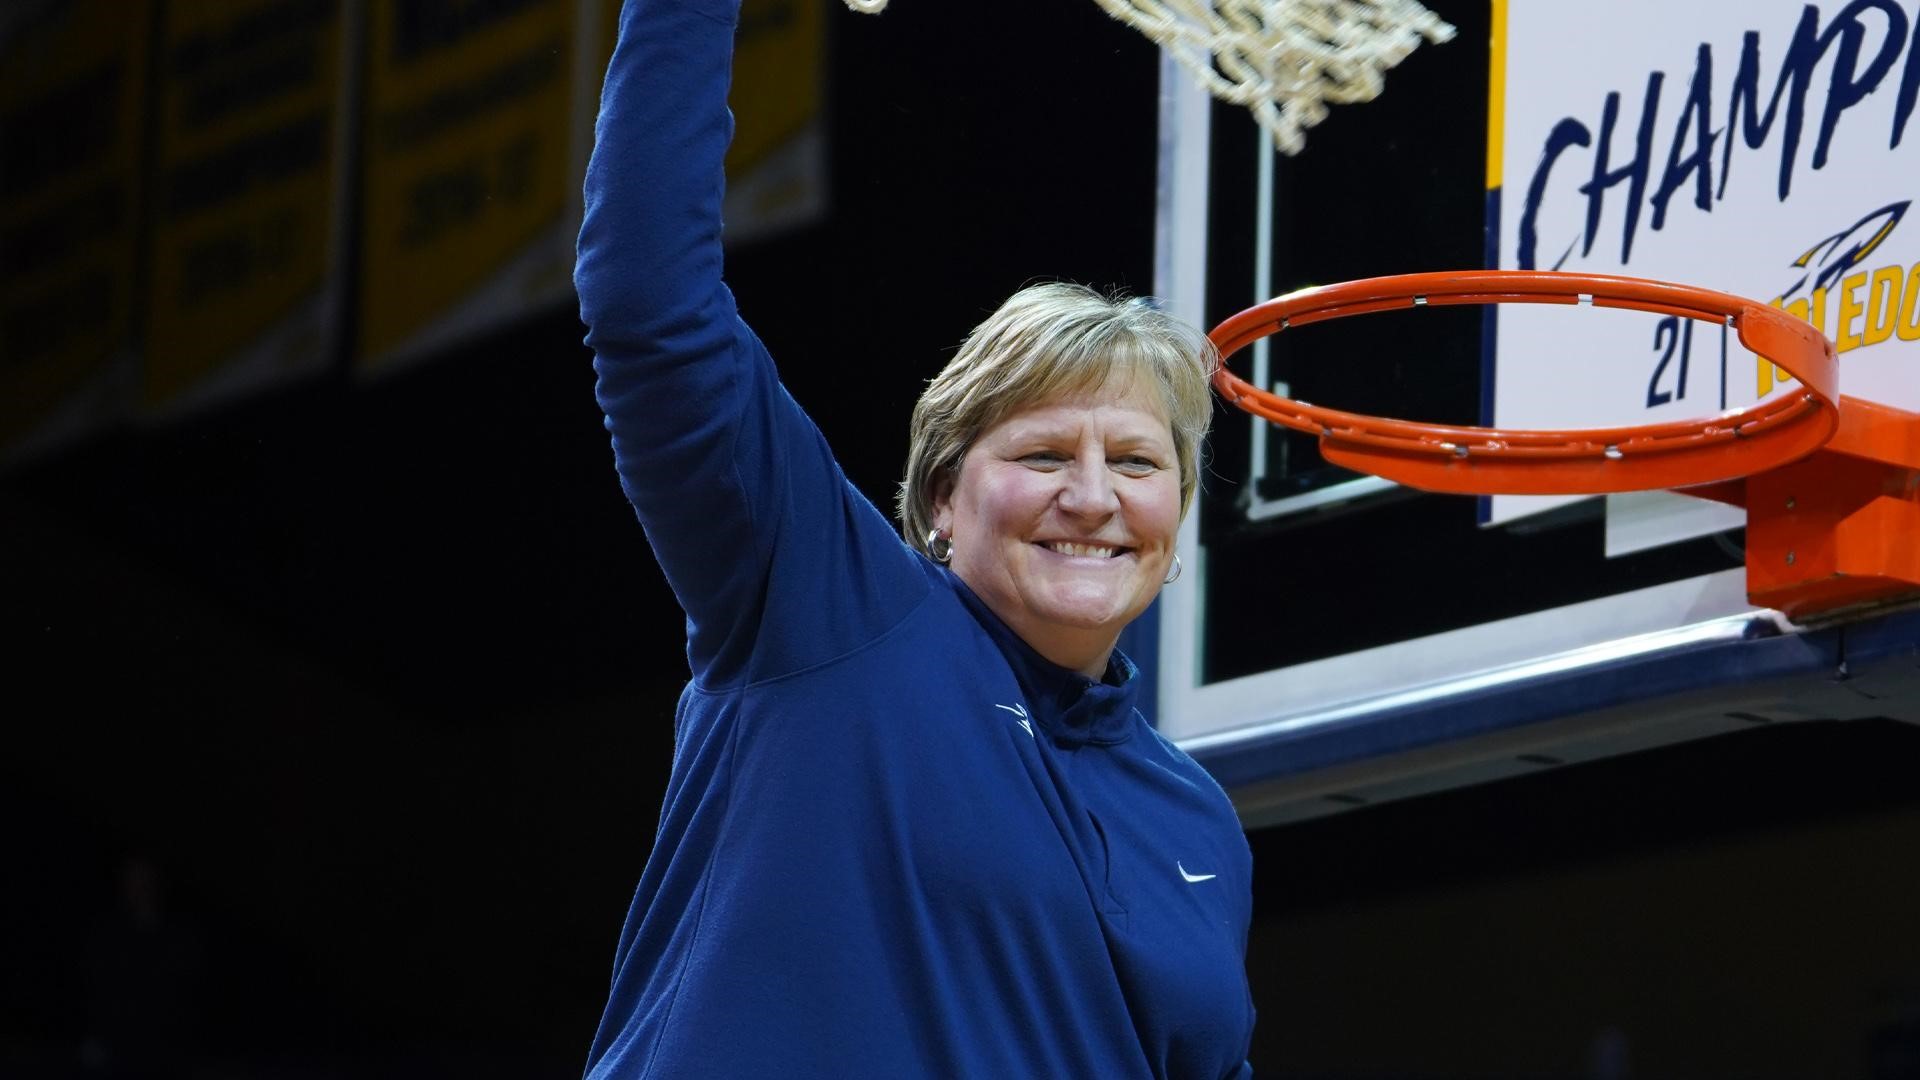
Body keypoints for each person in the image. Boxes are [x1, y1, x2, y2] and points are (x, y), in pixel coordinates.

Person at [575, 1, 1255, 1076]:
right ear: (940, 498)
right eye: (1041, 457)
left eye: (1135, 462)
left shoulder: (1195, 816)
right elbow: (651, 307)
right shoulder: (832, 612)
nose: (1092, 496)